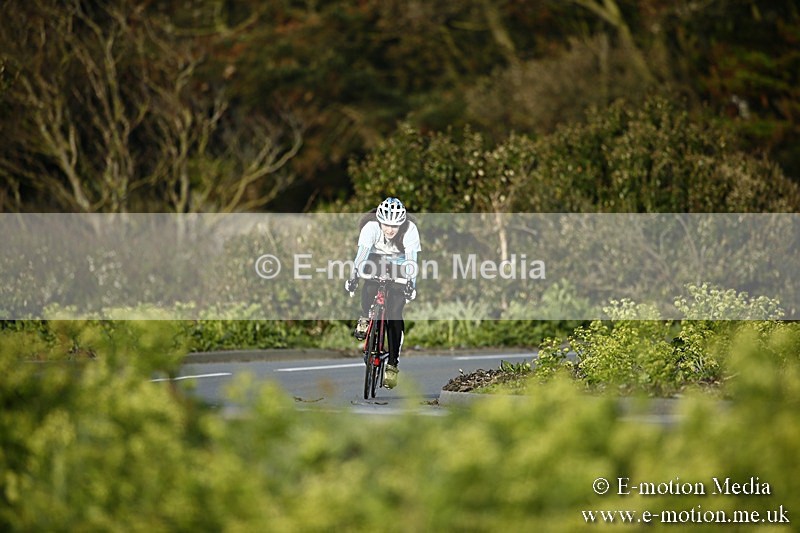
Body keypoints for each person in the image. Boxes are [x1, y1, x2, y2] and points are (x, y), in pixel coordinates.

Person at [344, 197, 420, 389]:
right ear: (379, 221)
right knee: (369, 283)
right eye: (386, 224)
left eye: (395, 225)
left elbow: (412, 261)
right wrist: (353, 278)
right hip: (376, 259)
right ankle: (365, 318)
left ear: (402, 222)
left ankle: (392, 365)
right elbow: (361, 256)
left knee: (394, 313)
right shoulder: (370, 228)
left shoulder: (410, 230)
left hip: (400, 263)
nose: (390, 230)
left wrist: (411, 284)